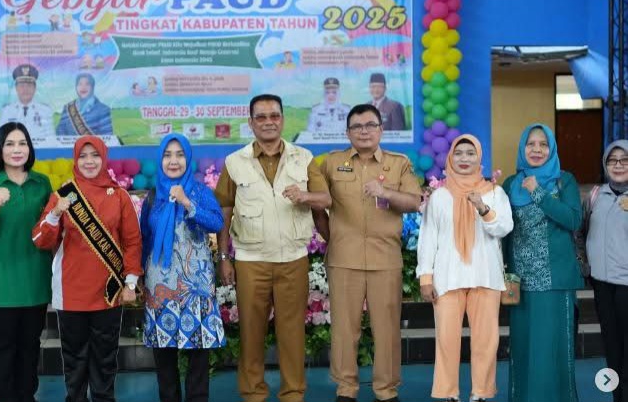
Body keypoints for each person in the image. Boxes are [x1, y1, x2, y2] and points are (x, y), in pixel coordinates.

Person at [215, 94, 331, 402]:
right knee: (251, 331)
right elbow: (224, 211)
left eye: (274, 116)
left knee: (292, 332)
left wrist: (305, 196)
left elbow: (325, 199)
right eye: (261, 117)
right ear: (250, 122)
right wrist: (224, 257)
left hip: (293, 259)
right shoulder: (234, 162)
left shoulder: (303, 157)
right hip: (250, 260)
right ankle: (253, 393)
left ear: (283, 119)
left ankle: (292, 393)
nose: (269, 122)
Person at [313, 104, 422, 402]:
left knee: (386, 330)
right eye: (357, 126)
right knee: (344, 330)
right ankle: (346, 389)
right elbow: (317, 202)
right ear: (348, 132)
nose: (364, 131)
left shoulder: (398, 164)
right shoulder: (331, 163)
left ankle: (386, 390)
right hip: (343, 259)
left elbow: (414, 202)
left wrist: (386, 192)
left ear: (381, 130)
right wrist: (331, 237)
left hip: (385, 259)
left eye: (370, 125)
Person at [32, 135, 142, 401]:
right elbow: (41, 240)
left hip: (108, 292)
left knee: (105, 359)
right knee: (74, 360)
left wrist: (130, 283)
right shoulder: (63, 195)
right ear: (75, 159)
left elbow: (132, 241)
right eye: (83, 156)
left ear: (104, 158)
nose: (89, 161)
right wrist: (55, 213)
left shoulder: (119, 196)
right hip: (71, 292)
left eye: (95, 155)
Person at [417, 135, 513, 402]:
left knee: (486, 341)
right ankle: (448, 392)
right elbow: (428, 239)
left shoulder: (495, 193)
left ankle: (481, 392)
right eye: (458, 153)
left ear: (479, 158)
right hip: (447, 277)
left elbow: (504, 227)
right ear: (450, 157)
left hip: (485, 276)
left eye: (471, 153)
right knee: (447, 340)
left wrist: (482, 208)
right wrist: (425, 277)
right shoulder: (439, 196)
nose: (464, 158)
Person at [0, 122, 53, 402]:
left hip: (35, 280)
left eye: (22, 143)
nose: (17, 149)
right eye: (10, 144)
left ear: (29, 148)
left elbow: (50, 227)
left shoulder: (42, 183)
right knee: (4, 347)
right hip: (1, 283)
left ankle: (27, 396)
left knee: (30, 347)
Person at [141, 133, 226, 402]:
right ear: (160, 160)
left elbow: (217, 223)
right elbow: (145, 238)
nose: (173, 161)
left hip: (196, 288)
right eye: (167, 155)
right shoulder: (153, 197)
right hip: (160, 288)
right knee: (164, 359)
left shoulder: (200, 192)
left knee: (198, 358)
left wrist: (187, 202)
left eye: (179, 155)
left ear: (188, 159)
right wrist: (139, 278)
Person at [502, 123, 583, 402]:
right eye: (531, 144)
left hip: (554, 280)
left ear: (552, 148)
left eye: (543, 144)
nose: (537, 149)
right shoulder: (511, 184)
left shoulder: (564, 181)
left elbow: (573, 220)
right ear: (522, 148)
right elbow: (503, 230)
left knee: (551, 349)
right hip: (520, 283)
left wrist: (538, 193)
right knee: (524, 347)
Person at [586, 139, 628, 402]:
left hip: (626, 286)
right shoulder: (595, 195)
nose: (618, 165)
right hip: (601, 283)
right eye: (612, 160)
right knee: (611, 348)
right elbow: (581, 233)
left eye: (624, 160)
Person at [0, 64, 54, 139]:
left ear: (35, 88)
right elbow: (0, 138)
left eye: (29, 86)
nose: (25, 89)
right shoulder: (7, 111)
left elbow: (51, 139)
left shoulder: (45, 110)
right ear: (16, 88)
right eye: (22, 86)